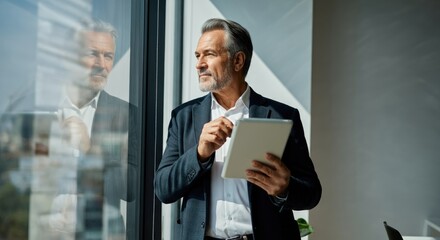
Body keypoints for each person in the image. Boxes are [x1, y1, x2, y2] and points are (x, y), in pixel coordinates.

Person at [154, 18, 322, 240]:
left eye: (209, 54)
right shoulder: (183, 117)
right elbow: (163, 189)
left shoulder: (283, 115)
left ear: (238, 60)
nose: (199, 64)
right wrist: (199, 154)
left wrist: (285, 187)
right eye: (197, 55)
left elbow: (311, 194)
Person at [34, 19, 131, 240]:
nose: (102, 64)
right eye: (92, 54)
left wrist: (90, 151)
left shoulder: (125, 114)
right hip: (41, 230)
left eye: (108, 56)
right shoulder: (42, 106)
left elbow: (132, 188)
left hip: (99, 233)